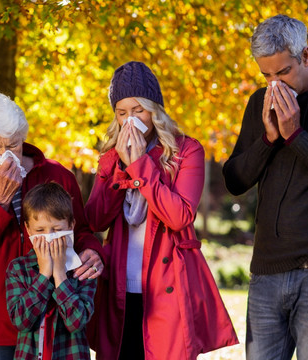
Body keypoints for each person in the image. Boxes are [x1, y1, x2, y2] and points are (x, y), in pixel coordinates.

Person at [222, 14, 308, 360]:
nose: (274, 84)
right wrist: (268, 139)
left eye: (283, 72)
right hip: (266, 271)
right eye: (266, 75)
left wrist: (296, 135)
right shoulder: (259, 103)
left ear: (306, 55)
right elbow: (235, 180)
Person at [85, 61, 238, 360]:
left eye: (138, 110)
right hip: (118, 287)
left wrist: (140, 165)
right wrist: (119, 168)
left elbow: (179, 216)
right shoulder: (110, 157)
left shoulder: (186, 151)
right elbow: (95, 219)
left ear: (154, 110)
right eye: (122, 112)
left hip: (165, 288)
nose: (130, 119)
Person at [0, 91, 104, 359]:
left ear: (22, 138)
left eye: (12, 146)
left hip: (55, 317)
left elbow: (80, 231)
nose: (5, 156)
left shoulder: (57, 176)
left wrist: (92, 250)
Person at [5, 182, 96, 360]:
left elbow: (76, 322)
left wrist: (60, 274)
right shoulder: (18, 269)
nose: (49, 237)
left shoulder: (84, 269)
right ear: (29, 230)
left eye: (57, 230)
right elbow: (21, 321)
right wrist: (44, 274)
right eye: (40, 230)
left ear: (71, 226)